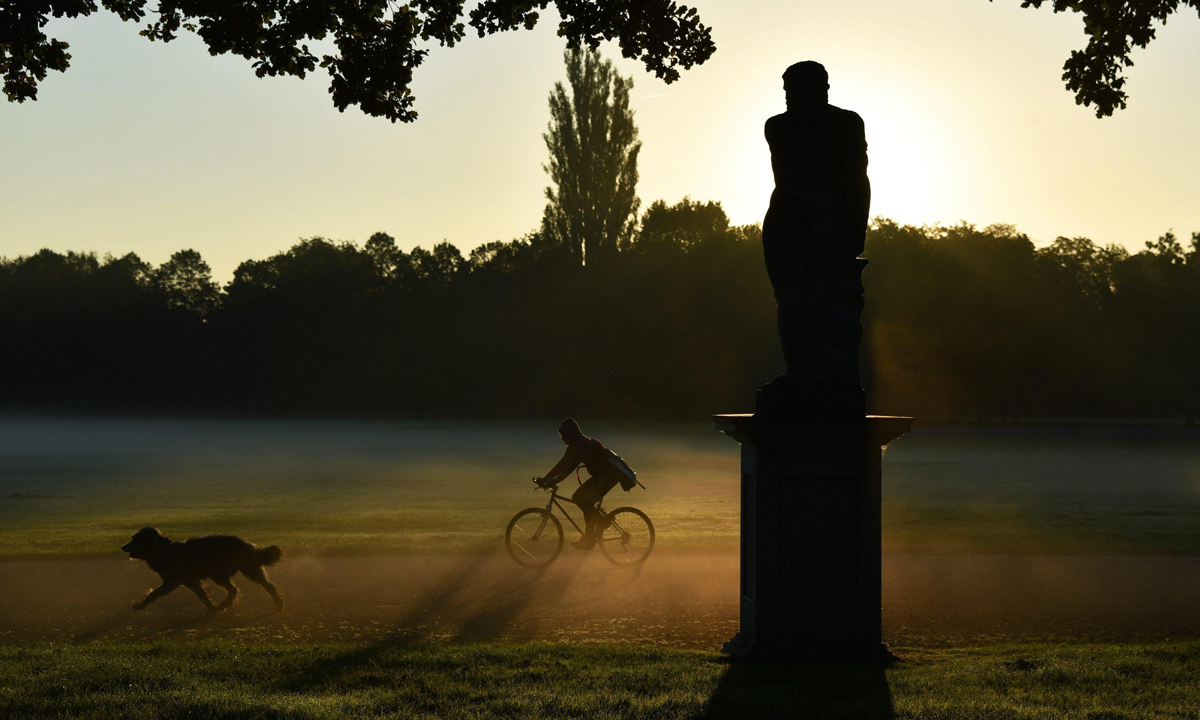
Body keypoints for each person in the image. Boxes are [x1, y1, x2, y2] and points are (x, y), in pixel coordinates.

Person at [537, 418, 635, 550]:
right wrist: (545, 479)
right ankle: (600, 523)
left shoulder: (582, 445)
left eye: (564, 435)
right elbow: (561, 464)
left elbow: (570, 467)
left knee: (587, 501)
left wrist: (554, 481)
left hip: (610, 476)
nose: (562, 439)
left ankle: (590, 537)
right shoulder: (574, 446)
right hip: (601, 476)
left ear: (572, 434)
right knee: (577, 497)